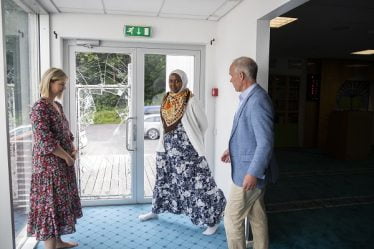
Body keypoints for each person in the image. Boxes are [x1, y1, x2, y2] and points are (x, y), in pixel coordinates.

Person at [139, 69, 226, 235]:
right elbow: (164, 124)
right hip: (166, 149)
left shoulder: (191, 100)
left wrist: (191, 137)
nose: (173, 84)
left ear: (184, 82)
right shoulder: (166, 99)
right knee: (163, 181)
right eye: (171, 80)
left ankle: (211, 221)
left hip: (188, 152)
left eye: (177, 81)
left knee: (199, 185)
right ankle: (155, 210)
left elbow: (204, 124)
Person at [221, 57, 278, 249]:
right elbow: (250, 135)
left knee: (231, 217)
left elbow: (265, 142)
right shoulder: (249, 97)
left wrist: (253, 172)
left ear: (241, 75)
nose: (230, 80)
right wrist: (232, 149)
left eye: (231, 76)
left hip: (250, 173)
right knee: (257, 215)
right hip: (247, 168)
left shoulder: (258, 101)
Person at [27, 68, 82, 249]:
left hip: (62, 165)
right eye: (61, 84)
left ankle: (58, 242)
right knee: (49, 206)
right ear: (50, 82)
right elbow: (45, 141)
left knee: (58, 205)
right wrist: (67, 157)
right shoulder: (39, 108)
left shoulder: (57, 106)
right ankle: (50, 246)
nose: (63, 88)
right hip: (48, 168)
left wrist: (72, 147)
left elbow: (65, 131)